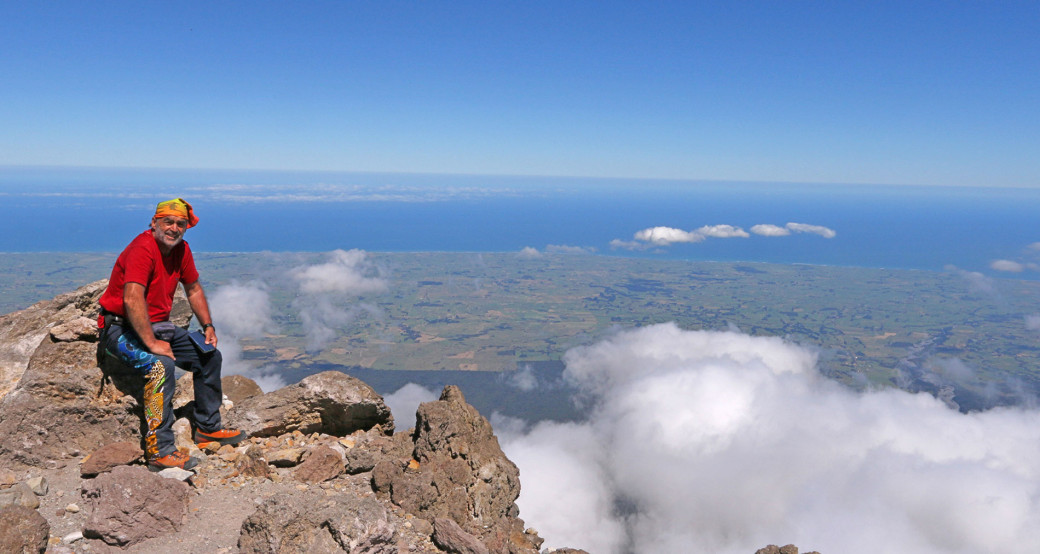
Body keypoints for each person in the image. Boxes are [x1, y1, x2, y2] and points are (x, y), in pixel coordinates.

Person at [97, 198, 247, 470]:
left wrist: (208, 326)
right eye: (168, 222)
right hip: (119, 329)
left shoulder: (181, 250)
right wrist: (152, 343)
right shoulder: (143, 249)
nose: (175, 229)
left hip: (157, 325)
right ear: (154, 223)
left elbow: (193, 288)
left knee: (209, 355)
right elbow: (132, 300)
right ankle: (159, 450)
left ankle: (208, 429)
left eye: (181, 224)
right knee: (160, 366)